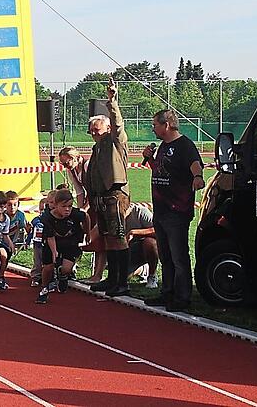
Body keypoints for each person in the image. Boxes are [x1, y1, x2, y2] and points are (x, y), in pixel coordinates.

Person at [143, 109, 204, 312]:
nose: (153, 128)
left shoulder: (184, 145)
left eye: (155, 124)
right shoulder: (163, 146)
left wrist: (197, 177)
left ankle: (183, 296)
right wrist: (150, 159)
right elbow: (161, 171)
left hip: (177, 210)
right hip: (160, 210)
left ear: (166, 125)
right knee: (165, 255)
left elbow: (196, 164)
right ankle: (166, 293)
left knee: (179, 256)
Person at [84, 78, 132, 297]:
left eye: (98, 129)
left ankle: (122, 281)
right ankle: (112, 278)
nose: (94, 133)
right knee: (107, 238)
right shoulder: (97, 148)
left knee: (118, 237)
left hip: (115, 195)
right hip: (100, 197)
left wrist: (112, 101)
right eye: (92, 131)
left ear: (108, 128)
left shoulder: (116, 141)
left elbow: (118, 123)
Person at [35, 189, 89, 304]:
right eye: (64, 206)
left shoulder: (75, 214)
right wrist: (54, 252)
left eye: (69, 206)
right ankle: (44, 289)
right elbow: (50, 237)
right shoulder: (47, 217)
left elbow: (86, 217)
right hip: (52, 242)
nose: (67, 209)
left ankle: (63, 276)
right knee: (48, 267)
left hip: (70, 243)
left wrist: (87, 233)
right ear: (55, 205)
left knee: (66, 268)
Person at [0, 190, 27, 291]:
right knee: (3, 257)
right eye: (9, 205)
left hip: (10, 244)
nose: (12, 207)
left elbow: (25, 227)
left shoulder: (20, 216)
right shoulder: (1, 216)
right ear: (5, 205)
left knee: (3, 262)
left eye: (15, 205)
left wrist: (30, 228)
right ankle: (0, 278)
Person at [125, 203, 159, 289]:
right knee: (120, 278)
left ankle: (152, 275)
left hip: (140, 248)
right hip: (123, 250)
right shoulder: (111, 215)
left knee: (150, 243)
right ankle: (142, 270)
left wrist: (135, 232)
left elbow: (158, 230)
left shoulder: (140, 211)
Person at [29, 191, 56, 286]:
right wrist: (27, 241)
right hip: (37, 244)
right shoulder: (36, 220)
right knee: (37, 261)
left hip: (47, 243)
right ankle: (36, 277)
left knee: (49, 262)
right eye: (41, 209)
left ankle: (52, 278)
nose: (42, 212)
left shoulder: (51, 219)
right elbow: (31, 232)